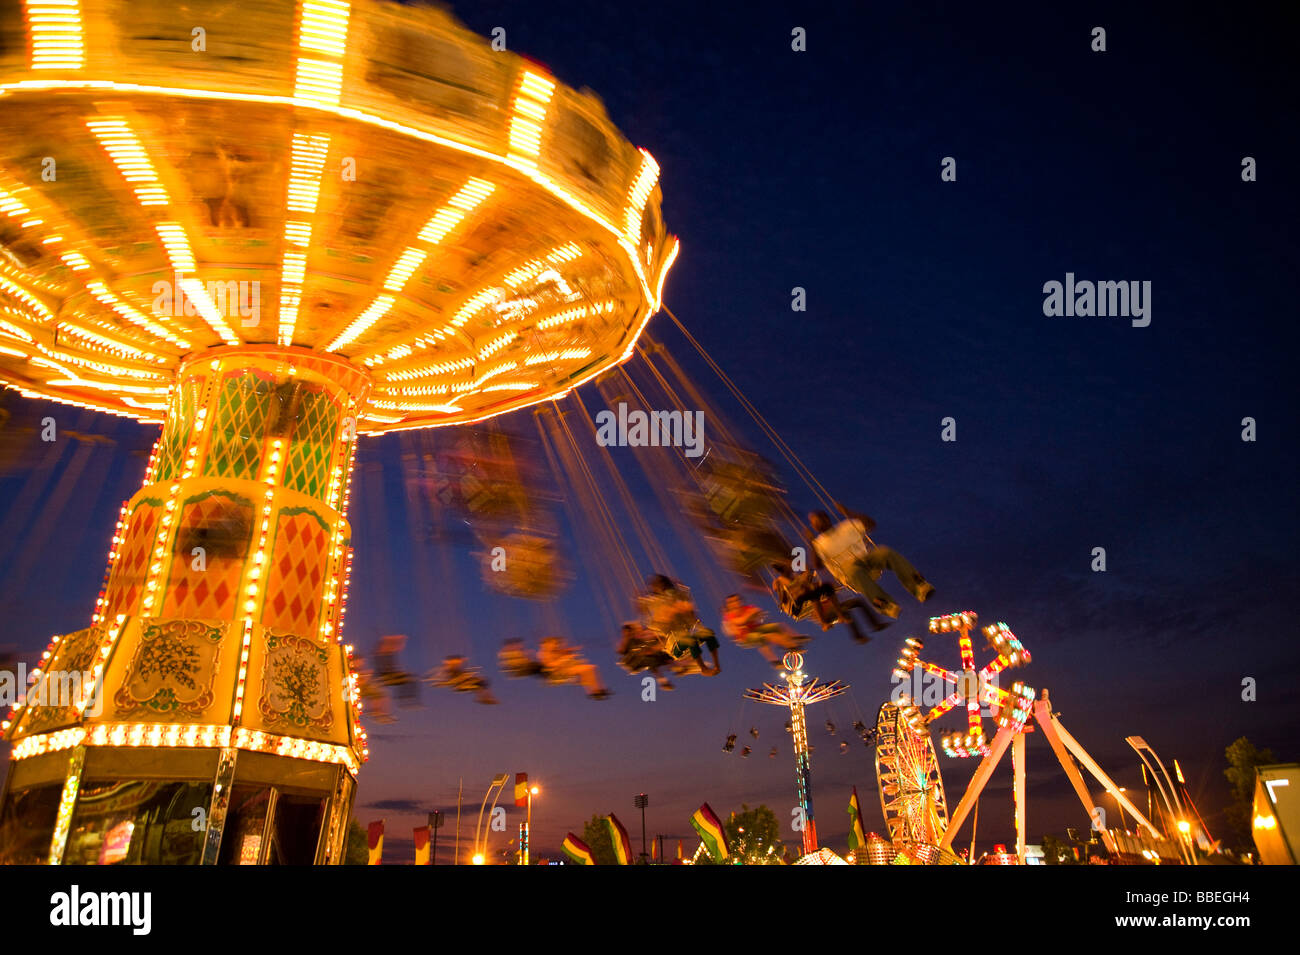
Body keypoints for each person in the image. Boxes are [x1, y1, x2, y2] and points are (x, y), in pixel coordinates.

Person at [807, 508, 934, 618]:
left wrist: (848, 512)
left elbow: (871, 524)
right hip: (850, 572)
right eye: (813, 523)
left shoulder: (846, 526)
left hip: (867, 561)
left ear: (826, 518)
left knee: (885, 551)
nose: (816, 525)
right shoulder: (818, 544)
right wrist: (812, 544)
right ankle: (885, 604)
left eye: (817, 520)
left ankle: (918, 585)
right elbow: (818, 565)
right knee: (853, 569)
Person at [770, 561, 882, 640]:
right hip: (794, 605)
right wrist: (784, 590)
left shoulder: (794, 576)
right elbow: (784, 599)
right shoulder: (779, 581)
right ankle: (825, 623)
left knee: (826, 587)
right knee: (812, 595)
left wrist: (808, 576)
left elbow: (807, 582)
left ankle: (841, 616)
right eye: (788, 565)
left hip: (807, 598)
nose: (791, 566)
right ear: (783, 568)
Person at [638, 574, 721, 676]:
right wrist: (668, 614)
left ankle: (717, 665)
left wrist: (689, 612)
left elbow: (691, 615)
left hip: (686, 637)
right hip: (674, 646)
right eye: (658, 586)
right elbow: (651, 622)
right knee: (690, 640)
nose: (661, 588)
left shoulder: (676, 599)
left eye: (663, 585)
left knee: (709, 633)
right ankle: (703, 668)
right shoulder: (655, 604)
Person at [720, 594, 806, 666]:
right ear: (728, 605)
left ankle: (796, 639)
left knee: (779, 626)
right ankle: (785, 652)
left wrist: (749, 617)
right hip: (744, 637)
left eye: (736, 601)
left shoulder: (746, 608)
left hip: (756, 628)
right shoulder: (728, 615)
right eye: (731, 602)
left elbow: (757, 611)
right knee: (767, 637)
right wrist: (749, 616)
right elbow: (740, 621)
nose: (735, 603)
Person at [537, 637, 610, 700]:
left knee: (591, 668)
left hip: (565, 669)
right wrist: (565, 658)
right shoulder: (543, 654)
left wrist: (571, 650)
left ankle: (598, 689)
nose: (556, 645)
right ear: (546, 644)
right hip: (557, 673)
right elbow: (550, 665)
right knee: (587, 669)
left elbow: (563, 652)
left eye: (556, 644)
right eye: (553, 644)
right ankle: (592, 691)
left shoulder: (554, 651)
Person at [617, 622, 675, 689]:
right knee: (652, 661)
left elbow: (652, 642)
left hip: (641, 657)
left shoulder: (638, 638)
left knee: (657, 658)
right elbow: (622, 651)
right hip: (634, 661)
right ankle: (666, 676)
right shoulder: (631, 641)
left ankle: (673, 668)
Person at [430, 655, 497, 705]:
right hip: (459, 686)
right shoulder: (450, 671)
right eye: (456, 662)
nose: (458, 664)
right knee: (478, 683)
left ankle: (485, 697)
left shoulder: (457, 670)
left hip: (464, 683)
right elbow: (452, 681)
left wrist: (471, 675)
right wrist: (440, 684)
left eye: (458, 663)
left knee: (482, 681)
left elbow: (464, 676)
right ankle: (482, 697)